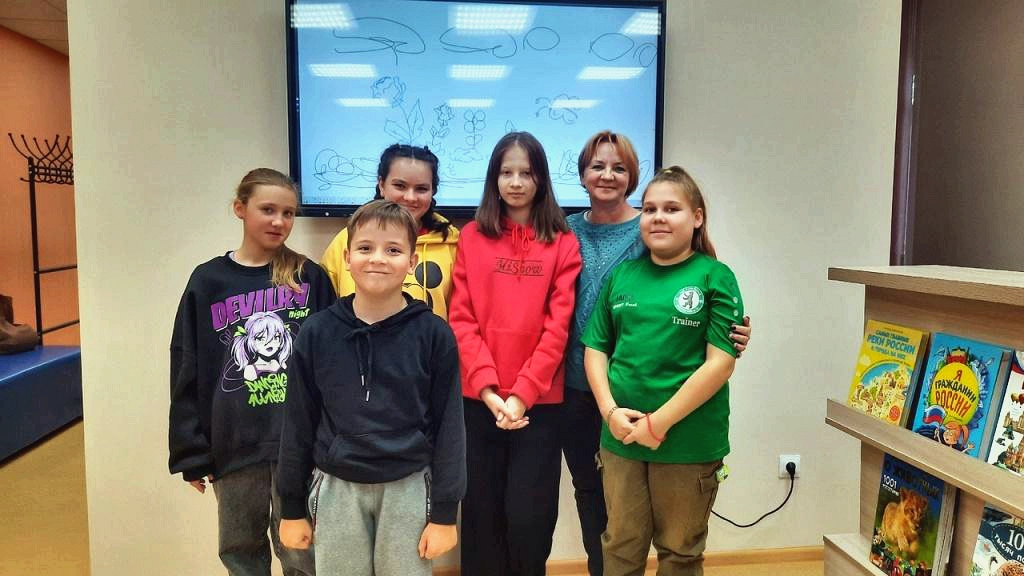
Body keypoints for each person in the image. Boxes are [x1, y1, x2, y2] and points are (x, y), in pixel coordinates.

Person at [564, 131, 751, 575]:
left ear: (697, 217)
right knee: (619, 547)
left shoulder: (715, 276)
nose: (658, 218)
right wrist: (611, 413)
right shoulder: (623, 276)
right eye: (650, 210)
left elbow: (720, 362)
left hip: (687, 441)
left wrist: (658, 423)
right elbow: (595, 348)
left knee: (680, 552)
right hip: (621, 438)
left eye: (672, 209)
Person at [276, 200, 466, 576]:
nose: (378, 258)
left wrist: (445, 514)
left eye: (393, 250)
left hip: (409, 486)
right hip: (337, 487)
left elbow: (450, 427)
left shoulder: (434, 334)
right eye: (365, 248)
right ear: (347, 258)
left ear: (411, 262)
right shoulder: (317, 332)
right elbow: (297, 422)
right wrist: (292, 506)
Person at [168, 168, 335, 576]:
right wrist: (191, 451)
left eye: (288, 213)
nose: (279, 221)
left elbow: (334, 363)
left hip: (300, 447)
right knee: (240, 551)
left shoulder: (309, 277)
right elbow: (186, 364)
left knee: (303, 553)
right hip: (234, 447)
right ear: (240, 209)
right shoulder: (207, 281)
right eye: (268, 210)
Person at [449, 131, 582, 576]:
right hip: (479, 401)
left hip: (539, 405)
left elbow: (557, 328)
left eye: (527, 172)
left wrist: (522, 395)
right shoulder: (471, 237)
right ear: (494, 178)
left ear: (541, 178)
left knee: (529, 520)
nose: (516, 182)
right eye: (507, 172)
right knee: (481, 520)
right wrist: (490, 392)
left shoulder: (563, 241)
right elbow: (461, 319)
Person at [321, 144, 459, 318]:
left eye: (421, 189)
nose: (410, 197)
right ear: (382, 185)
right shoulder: (346, 239)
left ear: (433, 191)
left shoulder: (452, 244)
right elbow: (325, 311)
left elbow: (460, 315)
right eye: (400, 186)